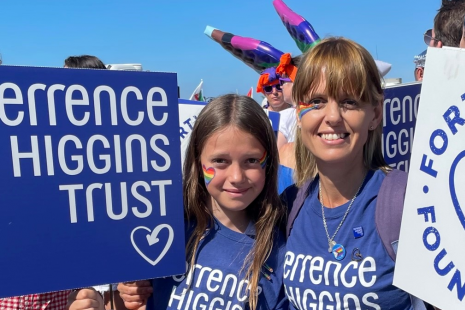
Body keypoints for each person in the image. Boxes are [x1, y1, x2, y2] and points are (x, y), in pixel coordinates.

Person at [71, 95, 289, 310]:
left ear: (268, 162)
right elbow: (129, 299)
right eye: (220, 161)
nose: (236, 176)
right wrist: (108, 300)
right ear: (197, 160)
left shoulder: (280, 250)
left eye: (251, 160)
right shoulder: (165, 228)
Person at [281, 37, 431, 310]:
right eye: (316, 101)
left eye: (349, 102)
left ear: (374, 114)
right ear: (299, 113)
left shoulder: (409, 201)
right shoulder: (290, 205)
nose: (333, 116)